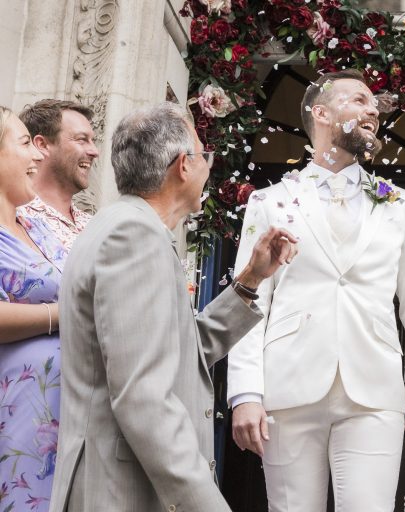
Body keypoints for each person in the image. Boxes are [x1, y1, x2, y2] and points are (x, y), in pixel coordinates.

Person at [48, 102, 298, 512]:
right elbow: (143, 396)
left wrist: (250, 280)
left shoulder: (127, 227)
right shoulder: (133, 237)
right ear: (183, 164)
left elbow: (178, 348)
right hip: (120, 492)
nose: (207, 167)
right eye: (204, 155)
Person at [226, 69, 405, 511]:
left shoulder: (402, 205)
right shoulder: (269, 202)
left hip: (373, 391)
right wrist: (245, 393)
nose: (373, 111)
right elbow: (250, 300)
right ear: (322, 114)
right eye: (360, 101)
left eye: (374, 105)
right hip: (287, 389)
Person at [0, 106, 66, 512]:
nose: (39, 155)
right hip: (14, 416)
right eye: (26, 143)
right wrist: (62, 315)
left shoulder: (38, 224)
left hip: (61, 416)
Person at [18, 99, 99, 251]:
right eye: (82, 140)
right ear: (42, 145)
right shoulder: (14, 218)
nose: (95, 151)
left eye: (92, 140)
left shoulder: (94, 225)